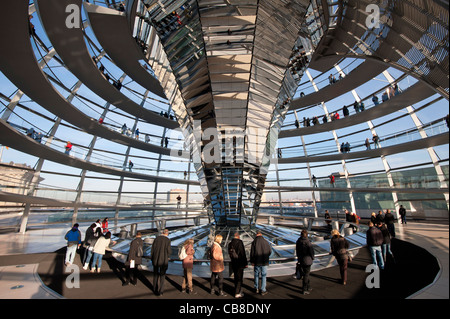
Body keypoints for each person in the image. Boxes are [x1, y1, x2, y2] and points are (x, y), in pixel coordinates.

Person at [150, 229, 172, 296]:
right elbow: (169, 251)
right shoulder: (167, 240)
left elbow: (152, 249)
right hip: (163, 260)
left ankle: (154, 288)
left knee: (155, 274)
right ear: (167, 233)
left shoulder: (156, 239)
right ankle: (161, 291)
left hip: (156, 259)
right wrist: (167, 255)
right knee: (162, 275)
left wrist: (152, 258)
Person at [250, 230, 271, 295]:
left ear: (256, 234)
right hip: (264, 262)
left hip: (256, 262)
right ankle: (263, 290)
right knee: (264, 275)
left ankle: (256, 288)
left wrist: (252, 261)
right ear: (261, 234)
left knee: (256, 275)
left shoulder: (254, 242)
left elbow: (252, 253)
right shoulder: (266, 242)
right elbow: (269, 251)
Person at [228, 232, 248, 298]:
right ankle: (237, 292)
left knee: (236, 277)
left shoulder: (230, 244)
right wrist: (245, 263)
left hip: (233, 263)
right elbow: (242, 253)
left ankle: (238, 290)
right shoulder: (240, 242)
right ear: (238, 236)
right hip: (240, 263)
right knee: (239, 278)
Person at [296, 230, 315, 294]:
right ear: (306, 235)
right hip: (307, 260)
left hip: (301, 260)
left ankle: (308, 286)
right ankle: (304, 289)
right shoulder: (308, 242)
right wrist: (312, 258)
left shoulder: (298, 241)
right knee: (306, 274)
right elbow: (311, 251)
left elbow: (297, 251)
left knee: (305, 274)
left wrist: (298, 258)